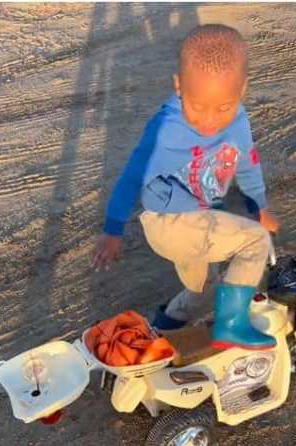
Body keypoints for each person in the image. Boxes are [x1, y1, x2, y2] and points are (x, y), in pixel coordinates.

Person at [91, 24, 278, 350]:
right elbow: (132, 176)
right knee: (255, 242)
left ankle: (157, 334)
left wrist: (258, 205)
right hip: (171, 222)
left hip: (194, 223)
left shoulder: (240, 121)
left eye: (223, 107)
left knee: (203, 287)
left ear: (242, 90)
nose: (209, 121)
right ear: (179, 86)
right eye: (197, 105)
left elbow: (248, 163)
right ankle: (231, 326)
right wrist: (113, 229)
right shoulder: (166, 126)